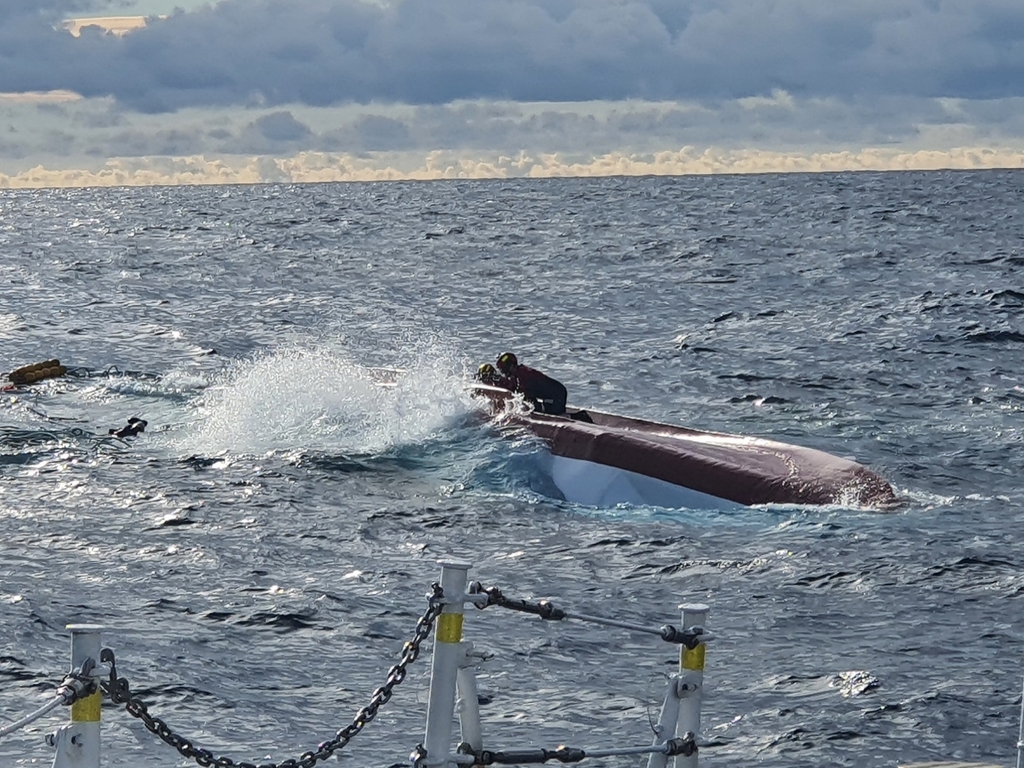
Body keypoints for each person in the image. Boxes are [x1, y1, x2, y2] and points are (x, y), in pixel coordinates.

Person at [495, 352, 567, 415]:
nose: (503, 372)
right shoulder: (518, 374)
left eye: (504, 368)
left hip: (557, 396)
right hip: (554, 395)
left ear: (510, 366)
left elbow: (522, 394)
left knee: (532, 407)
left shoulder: (523, 374)